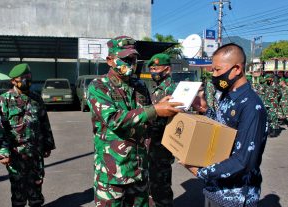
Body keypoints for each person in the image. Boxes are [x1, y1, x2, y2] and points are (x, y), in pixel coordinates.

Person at [86, 36, 182, 207]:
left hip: (139, 171)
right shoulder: (99, 86)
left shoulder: (140, 85)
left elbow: (147, 121)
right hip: (112, 174)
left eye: (134, 58)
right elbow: (114, 119)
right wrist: (155, 109)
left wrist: (171, 109)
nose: (131, 63)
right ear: (110, 60)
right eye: (125, 59)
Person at [183, 43, 268, 207]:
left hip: (235, 197)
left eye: (218, 70)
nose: (214, 75)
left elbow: (243, 161)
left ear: (237, 69)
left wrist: (200, 172)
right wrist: (205, 109)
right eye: (212, 70)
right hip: (215, 190)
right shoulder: (227, 96)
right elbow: (222, 129)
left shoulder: (251, 106)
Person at [0, 63, 55, 207]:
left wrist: (48, 144)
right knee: (18, 190)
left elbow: (44, 122)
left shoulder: (36, 98)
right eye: (23, 78)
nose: (27, 80)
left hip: (35, 151)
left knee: (37, 186)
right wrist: (3, 152)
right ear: (13, 81)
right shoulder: (4, 100)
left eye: (29, 77)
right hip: (16, 154)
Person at [147, 53, 176, 207]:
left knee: (161, 188)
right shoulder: (156, 88)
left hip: (162, 146)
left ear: (167, 70)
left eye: (156, 68)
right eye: (151, 68)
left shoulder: (172, 90)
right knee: (152, 186)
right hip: (152, 146)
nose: (153, 71)